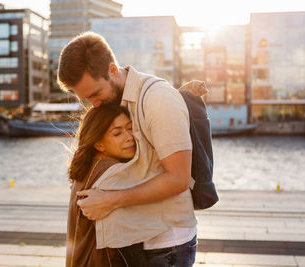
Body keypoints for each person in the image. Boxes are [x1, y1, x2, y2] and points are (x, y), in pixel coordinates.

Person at [58, 32, 206, 266]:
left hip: (165, 244)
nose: (93, 104)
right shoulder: (119, 99)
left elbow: (178, 179)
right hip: (135, 240)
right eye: (86, 99)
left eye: (95, 94)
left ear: (113, 70)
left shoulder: (158, 99)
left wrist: (110, 200)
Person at [66, 104, 148, 267]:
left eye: (130, 128)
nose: (129, 137)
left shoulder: (90, 167)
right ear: (99, 144)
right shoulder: (112, 172)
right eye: (117, 133)